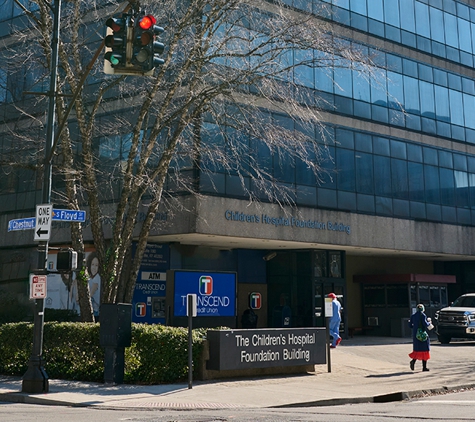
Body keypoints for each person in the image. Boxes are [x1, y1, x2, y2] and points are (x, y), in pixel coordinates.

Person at [408, 304, 431, 372]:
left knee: (417, 350)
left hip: (416, 335)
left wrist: (415, 328)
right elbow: (425, 324)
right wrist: (429, 322)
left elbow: (410, 325)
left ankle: (413, 361)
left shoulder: (413, 316)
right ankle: (424, 367)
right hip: (422, 334)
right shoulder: (423, 315)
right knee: (425, 350)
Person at [86, 252, 101, 316]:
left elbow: (91, 294)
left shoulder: (97, 278)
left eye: (96, 265)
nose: (94, 268)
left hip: (95, 310)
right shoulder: (91, 278)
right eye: (92, 264)